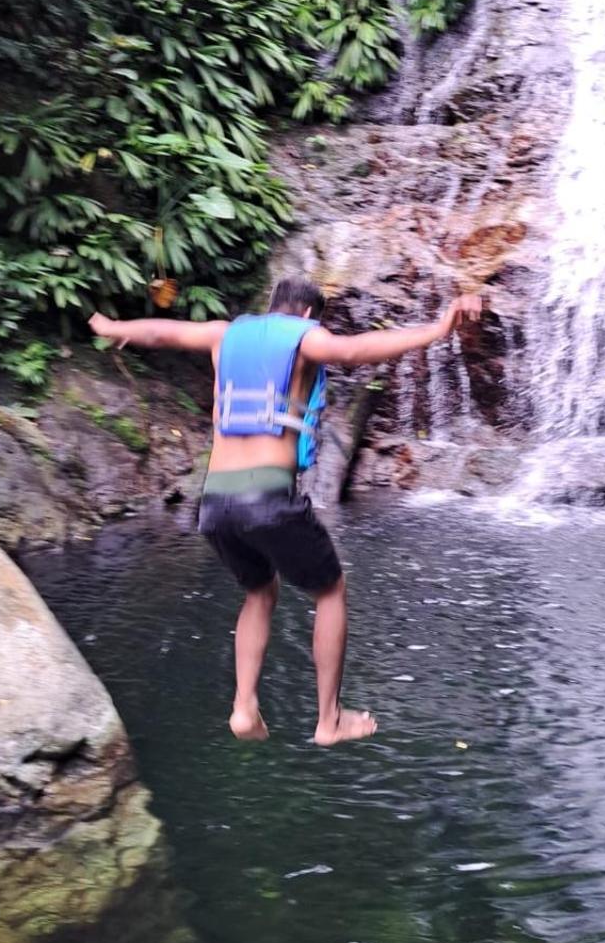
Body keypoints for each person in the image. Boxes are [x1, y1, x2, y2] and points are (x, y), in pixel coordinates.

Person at [89, 280, 482, 746]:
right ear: (309, 315)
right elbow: (357, 349)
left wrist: (114, 327)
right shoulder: (304, 336)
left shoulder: (225, 334)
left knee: (260, 592)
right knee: (330, 591)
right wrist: (438, 328)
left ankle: (243, 706)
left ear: (271, 306)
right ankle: (329, 720)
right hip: (267, 496)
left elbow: (165, 332)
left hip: (214, 502)